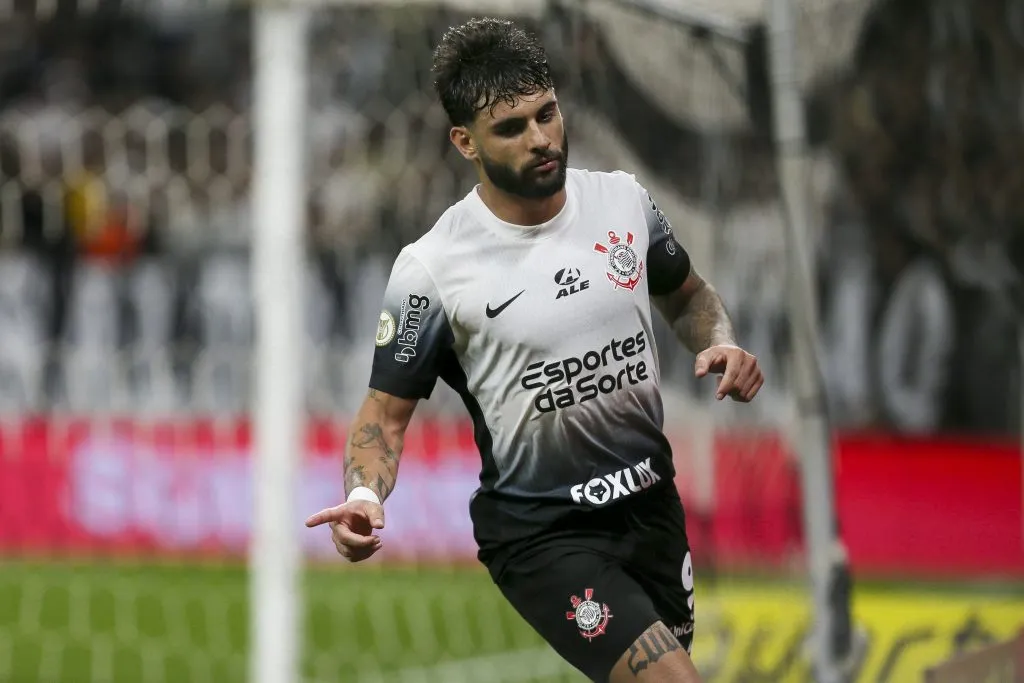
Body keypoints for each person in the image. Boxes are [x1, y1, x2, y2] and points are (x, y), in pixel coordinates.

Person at [305, 17, 763, 683]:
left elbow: (689, 296)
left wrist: (722, 341)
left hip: (650, 503)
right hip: (545, 535)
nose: (542, 138)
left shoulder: (623, 203)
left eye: (547, 113)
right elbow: (384, 414)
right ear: (465, 141)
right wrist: (365, 496)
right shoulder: (433, 269)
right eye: (512, 128)